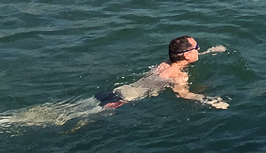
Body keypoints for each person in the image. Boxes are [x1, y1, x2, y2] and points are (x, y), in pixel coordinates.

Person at [94, 37, 229, 112]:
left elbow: (183, 59)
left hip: (121, 90)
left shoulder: (165, 64)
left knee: (77, 108)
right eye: (197, 47)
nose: (199, 49)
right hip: (123, 101)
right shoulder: (178, 76)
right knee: (85, 117)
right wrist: (211, 101)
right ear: (187, 55)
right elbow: (183, 94)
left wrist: (211, 51)